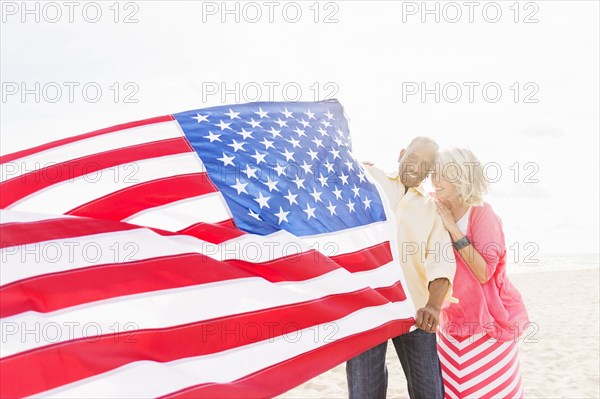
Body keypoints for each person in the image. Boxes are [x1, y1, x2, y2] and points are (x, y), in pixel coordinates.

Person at [347, 136, 456, 399]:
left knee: (429, 392)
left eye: (425, 166)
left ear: (429, 173)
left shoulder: (431, 209)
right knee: (365, 393)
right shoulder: (371, 178)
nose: (416, 167)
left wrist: (433, 305)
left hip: (415, 310)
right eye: (413, 158)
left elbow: (442, 259)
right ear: (401, 153)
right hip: (367, 307)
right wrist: (352, 167)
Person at [431, 147, 529, 399]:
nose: (434, 178)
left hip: (488, 324)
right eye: (434, 172)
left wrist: (453, 228)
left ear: (462, 176)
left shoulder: (482, 213)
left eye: (443, 173)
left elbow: (484, 272)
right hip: (451, 322)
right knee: (454, 392)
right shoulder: (433, 206)